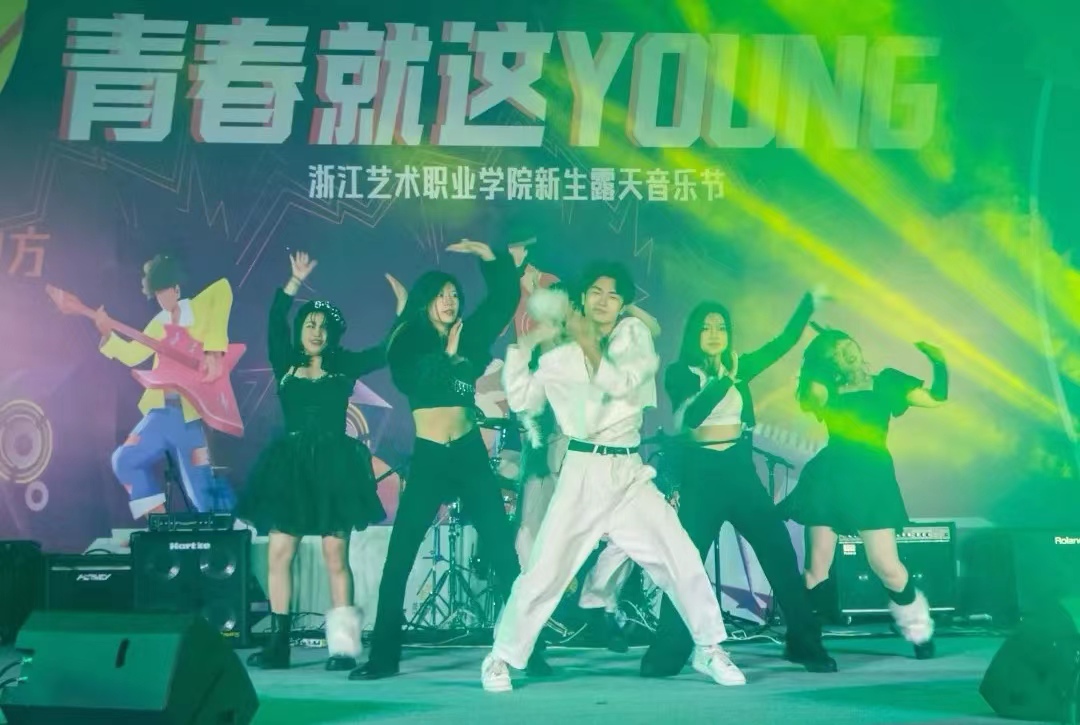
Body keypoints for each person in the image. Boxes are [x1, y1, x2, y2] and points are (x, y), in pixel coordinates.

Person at [481, 261, 746, 693]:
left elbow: (622, 385)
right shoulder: (560, 357)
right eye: (596, 293)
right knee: (544, 572)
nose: (604, 301)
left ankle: (709, 647)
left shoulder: (633, 336)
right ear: (583, 299)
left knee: (679, 555)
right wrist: (524, 347)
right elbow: (524, 400)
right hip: (582, 473)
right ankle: (501, 656)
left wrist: (588, 343)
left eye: (613, 295)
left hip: (627, 472)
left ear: (622, 304)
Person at [351, 239, 550, 680]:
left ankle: (529, 651)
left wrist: (490, 258)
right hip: (430, 460)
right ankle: (383, 657)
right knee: (399, 558)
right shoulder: (408, 340)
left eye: (455, 295)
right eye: (441, 295)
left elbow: (502, 301)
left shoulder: (468, 334)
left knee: (503, 555)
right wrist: (450, 356)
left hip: (469, 455)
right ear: (425, 301)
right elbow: (416, 381)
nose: (450, 301)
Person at [637, 293, 838, 678]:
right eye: (706, 328)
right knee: (685, 564)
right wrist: (726, 378)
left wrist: (807, 304)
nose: (714, 334)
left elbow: (782, 343)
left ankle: (805, 643)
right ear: (695, 334)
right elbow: (693, 417)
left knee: (779, 553)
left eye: (721, 327)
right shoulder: (681, 373)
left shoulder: (741, 366)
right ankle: (670, 649)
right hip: (701, 476)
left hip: (739, 471)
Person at [238, 251, 391, 671]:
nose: (316, 331)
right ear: (301, 329)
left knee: (335, 557)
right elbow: (275, 319)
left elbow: (384, 351)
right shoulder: (285, 362)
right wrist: (293, 282)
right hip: (290, 469)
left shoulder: (344, 365)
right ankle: (279, 646)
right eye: (310, 324)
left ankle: (343, 646)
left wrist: (403, 312)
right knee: (279, 554)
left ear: (333, 333)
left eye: (324, 326)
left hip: (334, 470)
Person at [515, 280, 664, 652]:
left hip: (602, 456)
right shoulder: (553, 344)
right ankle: (531, 631)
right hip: (552, 453)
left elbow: (653, 328)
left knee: (624, 540)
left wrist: (622, 305)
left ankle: (597, 603)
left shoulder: (607, 337)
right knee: (536, 542)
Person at [779, 331, 948, 658]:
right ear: (829, 363)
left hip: (872, 480)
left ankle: (918, 629)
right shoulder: (825, 389)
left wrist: (939, 363)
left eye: (848, 345)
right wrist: (815, 371)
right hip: (829, 479)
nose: (846, 352)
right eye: (836, 352)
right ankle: (801, 639)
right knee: (816, 569)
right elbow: (809, 395)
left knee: (887, 565)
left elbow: (936, 399)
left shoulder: (887, 382)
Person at [93, 254, 233, 519]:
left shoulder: (198, 309)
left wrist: (214, 350)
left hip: (189, 420)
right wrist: (107, 335)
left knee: (201, 492)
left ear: (176, 289)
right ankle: (159, 523)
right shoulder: (159, 323)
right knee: (124, 460)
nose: (161, 298)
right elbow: (134, 354)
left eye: (164, 291)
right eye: (156, 294)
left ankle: (230, 528)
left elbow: (223, 288)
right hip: (160, 414)